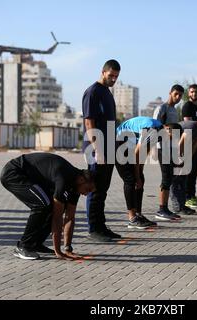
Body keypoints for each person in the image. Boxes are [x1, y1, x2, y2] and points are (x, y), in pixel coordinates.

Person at [0, 153, 95, 261]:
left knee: (54, 207)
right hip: (13, 173)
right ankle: (23, 246)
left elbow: (69, 218)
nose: (87, 194)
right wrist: (58, 251)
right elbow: (57, 218)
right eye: (88, 189)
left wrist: (68, 249)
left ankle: (35, 244)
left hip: (31, 177)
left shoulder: (76, 186)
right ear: (82, 180)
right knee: (43, 205)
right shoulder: (64, 179)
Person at [116, 117, 183, 226]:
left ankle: (138, 215)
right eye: (172, 137)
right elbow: (137, 154)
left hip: (128, 143)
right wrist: (137, 176)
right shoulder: (153, 130)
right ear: (168, 130)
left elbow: (144, 151)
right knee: (131, 179)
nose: (170, 141)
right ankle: (132, 218)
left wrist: (140, 172)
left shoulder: (159, 131)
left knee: (140, 178)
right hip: (117, 142)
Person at [82, 59, 122, 243]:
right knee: (95, 188)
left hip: (109, 147)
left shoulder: (107, 93)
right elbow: (89, 123)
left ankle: (101, 227)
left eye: (116, 76)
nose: (113, 79)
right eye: (111, 75)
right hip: (96, 149)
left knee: (103, 190)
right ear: (103, 72)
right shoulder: (93, 92)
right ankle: (93, 229)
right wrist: (98, 150)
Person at [153, 85, 192, 218]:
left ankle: (166, 208)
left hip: (172, 148)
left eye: (180, 96)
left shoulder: (175, 111)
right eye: (176, 94)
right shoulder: (161, 108)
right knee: (166, 178)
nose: (178, 98)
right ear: (170, 92)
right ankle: (161, 209)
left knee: (170, 178)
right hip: (162, 148)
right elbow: (154, 127)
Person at [170, 117, 197, 215]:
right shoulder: (194, 126)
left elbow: (193, 146)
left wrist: (187, 160)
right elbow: (181, 142)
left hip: (177, 146)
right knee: (176, 178)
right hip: (170, 144)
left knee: (183, 177)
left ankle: (182, 204)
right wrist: (179, 159)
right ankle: (177, 207)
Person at [182, 84, 197, 209]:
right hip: (190, 143)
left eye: (196, 92)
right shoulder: (187, 106)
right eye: (192, 92)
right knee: (189, 171)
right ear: (189, 93)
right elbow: (188, 124)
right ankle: (187, 197)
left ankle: (192, 195)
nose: (194, 94)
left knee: (195, 170)